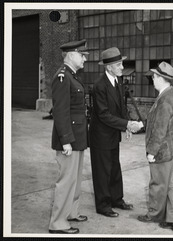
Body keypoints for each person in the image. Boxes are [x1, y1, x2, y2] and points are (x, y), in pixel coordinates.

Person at [89, 47, 143, 218]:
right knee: (102, 171)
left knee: (114, 168)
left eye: (121, 64)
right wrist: (127, 124)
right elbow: (103, 115)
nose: (122, 67)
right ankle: (103, 205)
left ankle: (117, 200)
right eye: (119, 64)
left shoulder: (118, 82)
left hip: (112, 134)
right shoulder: (99, 86)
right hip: (101, 136)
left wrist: (126, 125)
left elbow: (120, 107)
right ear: (109, 67)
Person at [137, 62, 173, 232]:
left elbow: (159, 130)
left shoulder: (164, 101)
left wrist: (152, 151)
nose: (152, 80)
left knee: (158, 184)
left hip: (164, 150)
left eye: (154, 77)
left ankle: (154, 214)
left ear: (160, 78)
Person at [49, 39, 89, 234]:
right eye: (82, 55)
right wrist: (65, 140)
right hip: (68, 139)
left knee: (75, 179)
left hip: (77, 137)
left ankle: (71, 213)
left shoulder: (72, 76)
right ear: (71, 55)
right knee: (66, 181)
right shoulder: (62, 77)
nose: (84, 59)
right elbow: (60, 112)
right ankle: (57, 223)